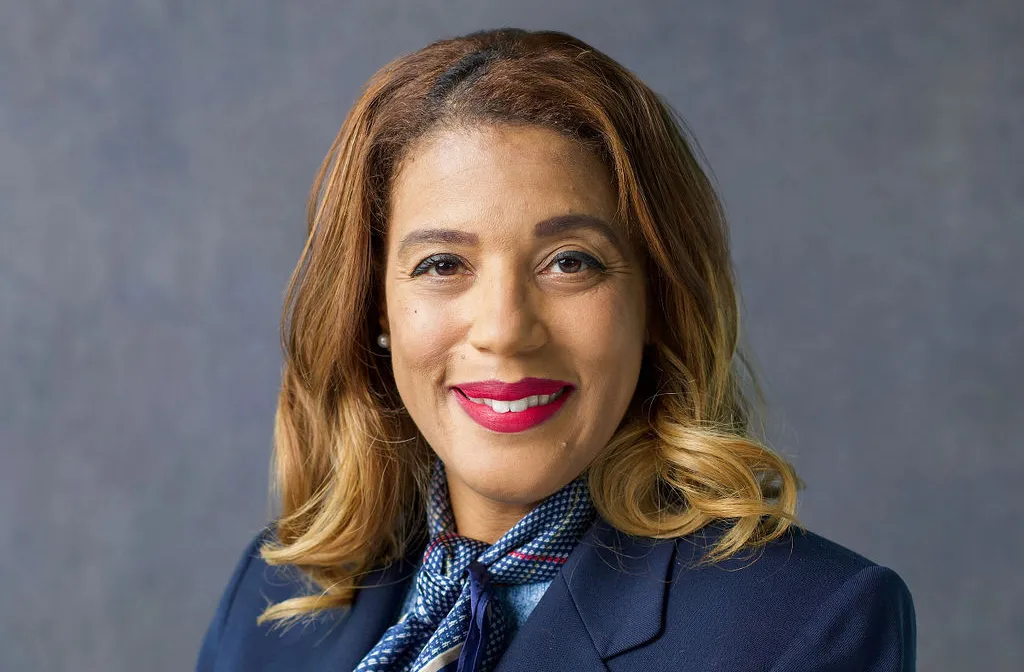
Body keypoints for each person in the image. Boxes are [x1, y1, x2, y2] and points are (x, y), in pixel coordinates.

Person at [196, 27, 916, 672]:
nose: (505, 329)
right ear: (373, 308)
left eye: (570, 262)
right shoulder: (273, 596)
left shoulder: (803, 629)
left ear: (657, 301)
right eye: (443, 264)